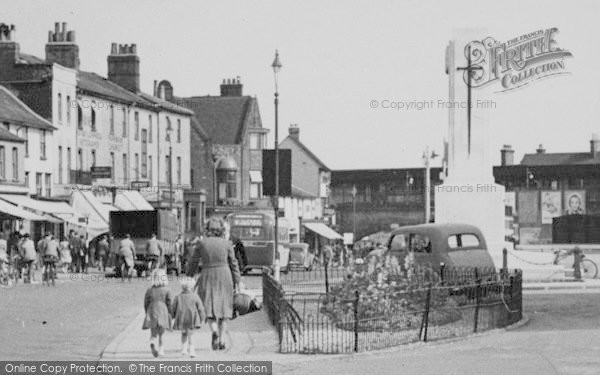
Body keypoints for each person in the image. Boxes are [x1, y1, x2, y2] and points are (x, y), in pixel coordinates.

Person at [188, 217, 240, 351]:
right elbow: (234, 263)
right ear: (222, 230)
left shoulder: (202, 243)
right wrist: (237, 281)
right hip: (224, 275)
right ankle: (222, 340)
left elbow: (193, 262)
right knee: (224, 310)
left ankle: (214, 331)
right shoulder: (227, 244)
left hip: (207, 275)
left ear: (207, 229)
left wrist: (189, 275)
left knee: (208, 308)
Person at [170, 277, 206, 357]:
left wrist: (172, 317)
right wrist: (202, 317)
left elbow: (173, 308)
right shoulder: (195, 296)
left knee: (183, 334)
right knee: (191, 335)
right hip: (192, 318)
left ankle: (184, 349)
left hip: (181, 318)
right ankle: (192, 350)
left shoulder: (178, 297)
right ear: (192, 287)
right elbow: (200, 308)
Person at [142, 269, 172, 358]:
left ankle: (152, 342)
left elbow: (145, 303)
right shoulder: (167, 290)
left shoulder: (149, 290)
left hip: (152, 310)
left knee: (153, 332)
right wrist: (170, 313)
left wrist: (146, 312)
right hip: (163, 310)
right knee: (161, 332)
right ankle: (161, 349)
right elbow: (169, 302)